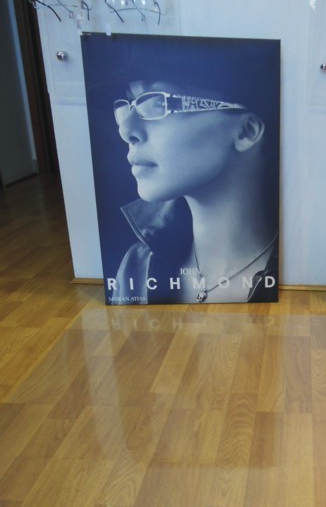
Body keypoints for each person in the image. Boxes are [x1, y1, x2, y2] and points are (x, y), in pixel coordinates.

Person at [86, 35, 280, 305]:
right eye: (126, 108)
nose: (126, 130)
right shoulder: (136, 266)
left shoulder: (293, 269)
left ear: (246, 132)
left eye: (157, 104)